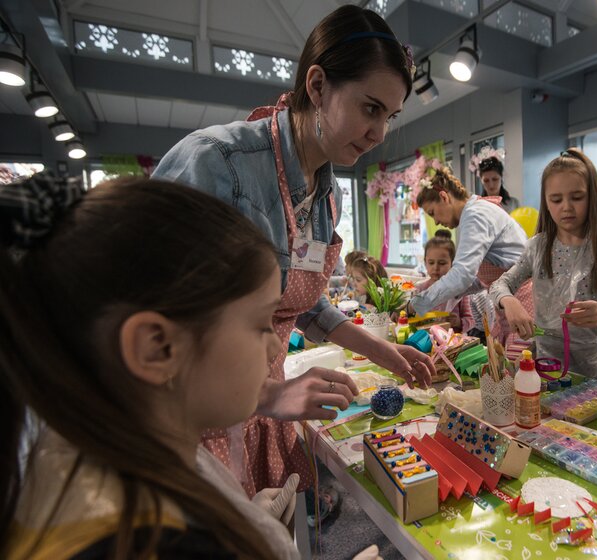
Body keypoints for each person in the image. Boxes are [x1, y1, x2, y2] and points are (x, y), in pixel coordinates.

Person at [0, 174, 385, 559]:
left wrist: (243, 519)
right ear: (157, 348)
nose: (273, 348)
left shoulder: (70, 457)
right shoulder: (164, 544)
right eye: (260, 323)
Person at [152, 4, 434, 501]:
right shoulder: (218, 164)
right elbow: (158, 326)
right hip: (196, 417)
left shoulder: (326, 196)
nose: (380, 133)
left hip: (261, 407)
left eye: (390, 117)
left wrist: (386, 353)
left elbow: (304, 304)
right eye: (371, 108)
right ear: (318, 85)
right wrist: (269, 394)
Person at [489, 149, 597, 383]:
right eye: (556, 199)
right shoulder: (538, 246)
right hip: (548, 367)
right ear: (546, 202)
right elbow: (500, 285)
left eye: (577, 197)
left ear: (592, 197)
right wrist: (509, 301)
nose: (566, 207)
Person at [408, 167, 530, 346]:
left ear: (444, 196)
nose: (436, 222)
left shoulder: (475, 214)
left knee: (521, 365)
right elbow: (483, 278)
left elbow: (462, 275)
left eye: (433, 212)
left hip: (521, 299)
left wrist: (415, 304)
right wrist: (450, 294)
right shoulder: (474, 212)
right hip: (506, 298)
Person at [415, 230, 475, 333]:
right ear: (425, 262)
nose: (436, 268)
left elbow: (471, 321)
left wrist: (458, 322)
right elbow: (412, 319)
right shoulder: (419, 289)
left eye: (442, 263)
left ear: (452, 263)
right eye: (431, 263)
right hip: (425, 342)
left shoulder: (460, 291)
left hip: (453, 343)